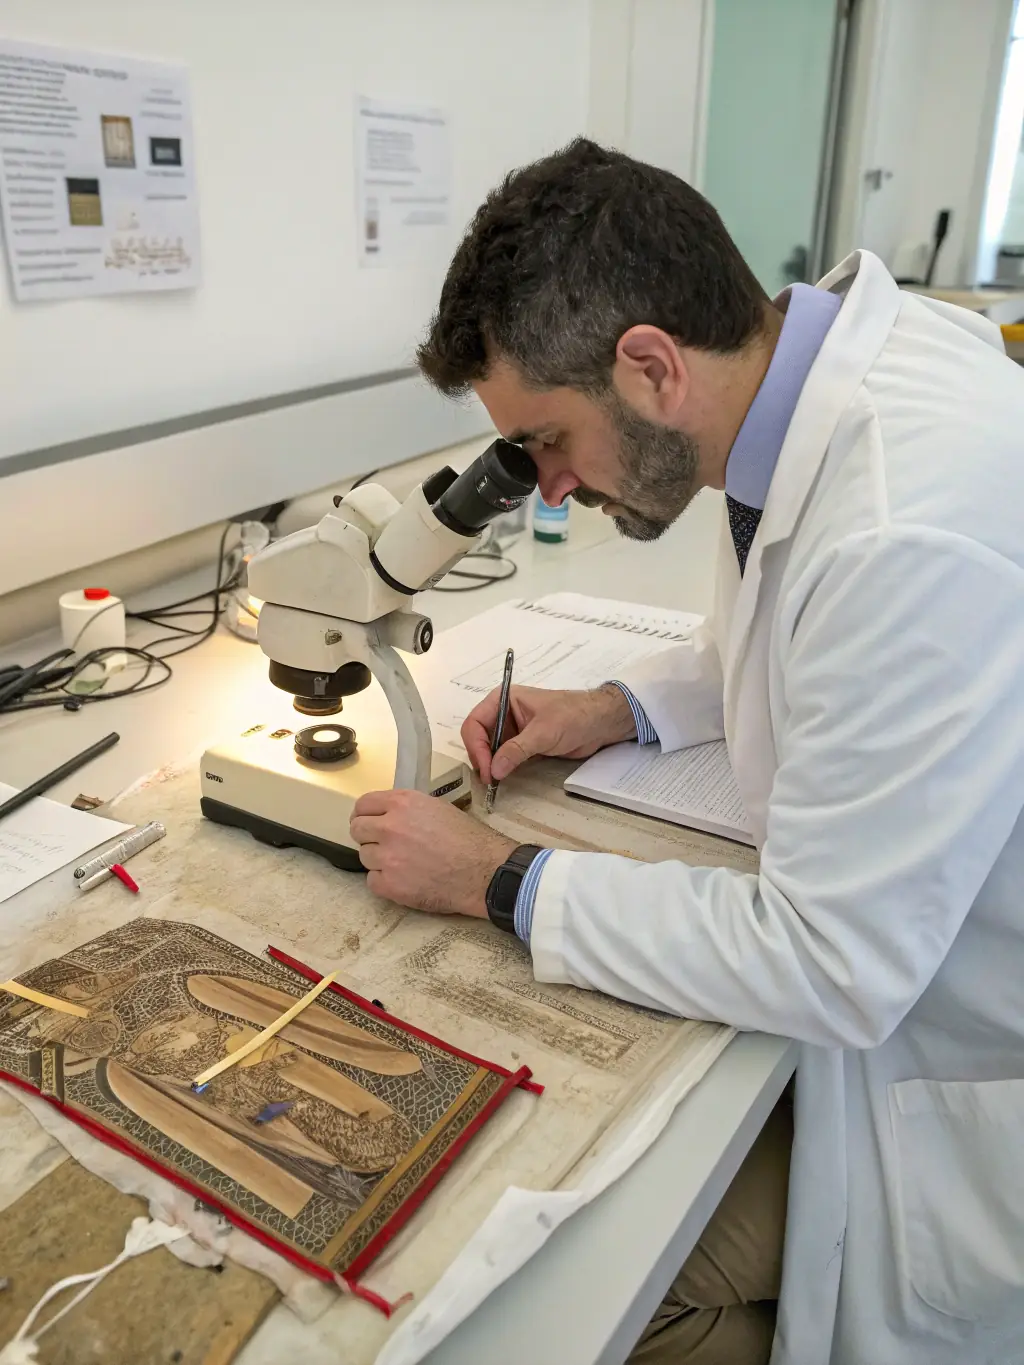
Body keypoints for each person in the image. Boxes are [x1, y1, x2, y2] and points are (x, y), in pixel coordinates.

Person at [348, 138, 1024, 1365]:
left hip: (956, 1072)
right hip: (920, 986)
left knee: (565, 1300)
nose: (545, 493)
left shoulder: (899, 528)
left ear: (650, 365)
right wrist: (612, 707)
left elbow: (831, 962)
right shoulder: (815, 381)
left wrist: (496, 880)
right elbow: (801, 642)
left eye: (546, 441)